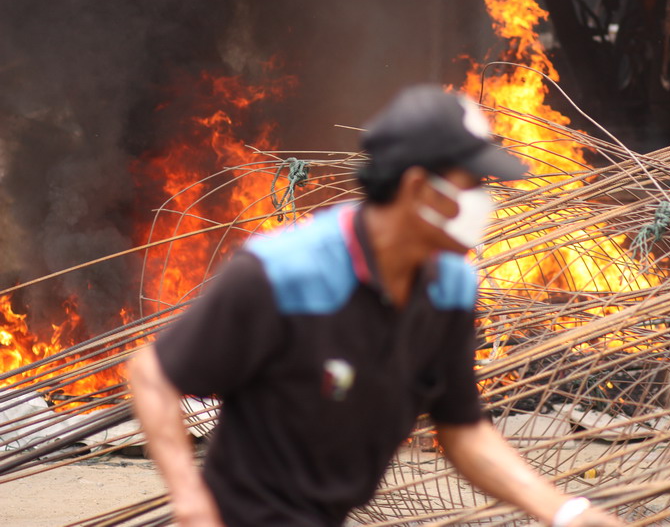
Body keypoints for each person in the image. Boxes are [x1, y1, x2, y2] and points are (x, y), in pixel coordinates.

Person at [128, 85, 624, 527]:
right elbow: (153, 373)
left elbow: (462, 432)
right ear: (416, 189)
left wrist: (563, 511)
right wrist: (191, 503)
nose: (485, 202)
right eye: (472, 184)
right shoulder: (281, 274)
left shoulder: (450, 289)